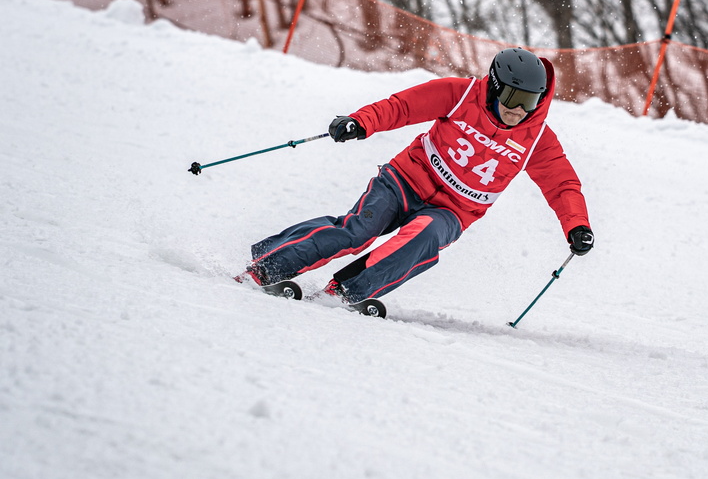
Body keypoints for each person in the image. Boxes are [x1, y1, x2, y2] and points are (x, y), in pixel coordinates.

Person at [242, 47, 594, 304]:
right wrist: (361, 122)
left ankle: (346, 292)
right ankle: (268, 266)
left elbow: (562, 184)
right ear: (496, 87)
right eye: (514, 97)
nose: (520, 110)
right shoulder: (459, 95)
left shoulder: (537, 140)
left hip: (453, 211)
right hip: (405, 180)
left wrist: (577, 225)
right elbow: (402, 107)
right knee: (358, 231)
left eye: (530, 101)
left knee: (422, 237)